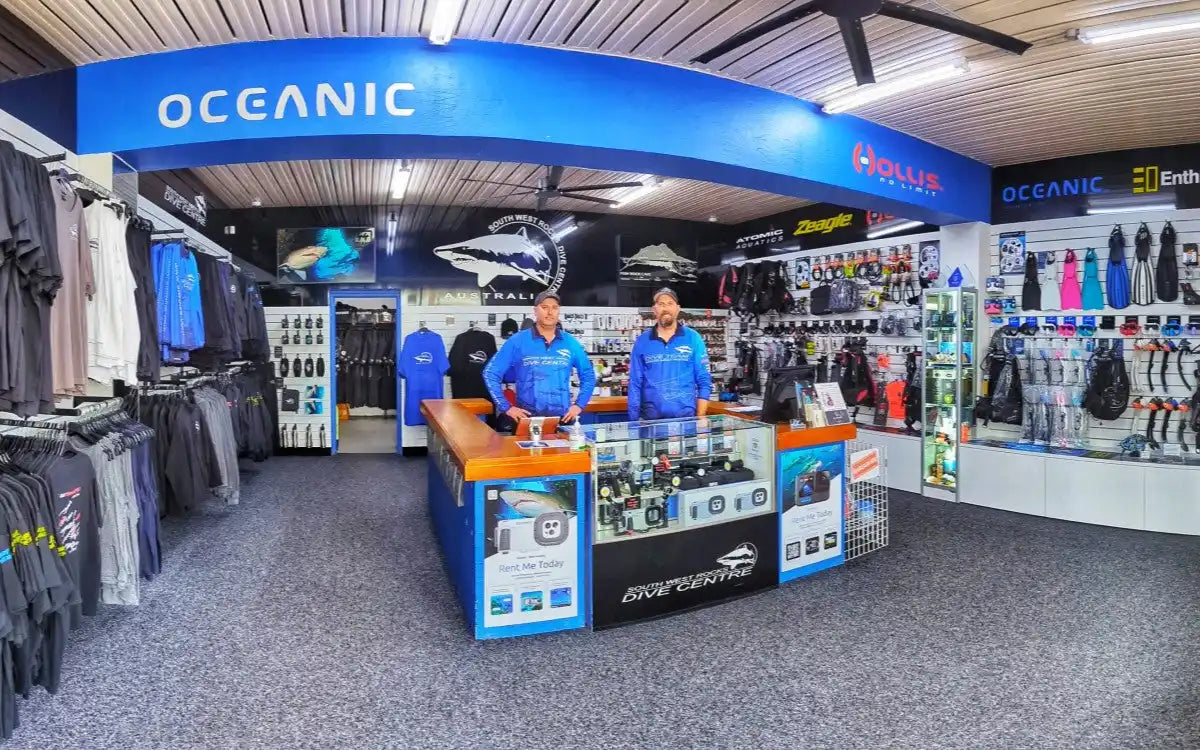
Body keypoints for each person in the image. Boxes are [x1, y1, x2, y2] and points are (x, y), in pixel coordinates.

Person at [483, 291, 595, 423]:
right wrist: (506, 407)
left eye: (554, 307)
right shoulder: (517, 341)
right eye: (545, 307)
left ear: (559, 311)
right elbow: (490, 373)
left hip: (563, 419)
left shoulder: (570, 342)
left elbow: (588, 375)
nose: (550, 312)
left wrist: (579, 405)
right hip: (527, 419)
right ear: (535, 311)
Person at [627, 287, 713, 421]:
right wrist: (633, 422)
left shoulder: (693, 338)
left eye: (670, 304)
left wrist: (700, 417)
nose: (665, 308)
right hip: (651, 423)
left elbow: (704, 380)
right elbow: (635, 384)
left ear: (678, 309)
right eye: (661, 304)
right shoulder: (642, 342)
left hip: (686, 421)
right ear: (654, 309)